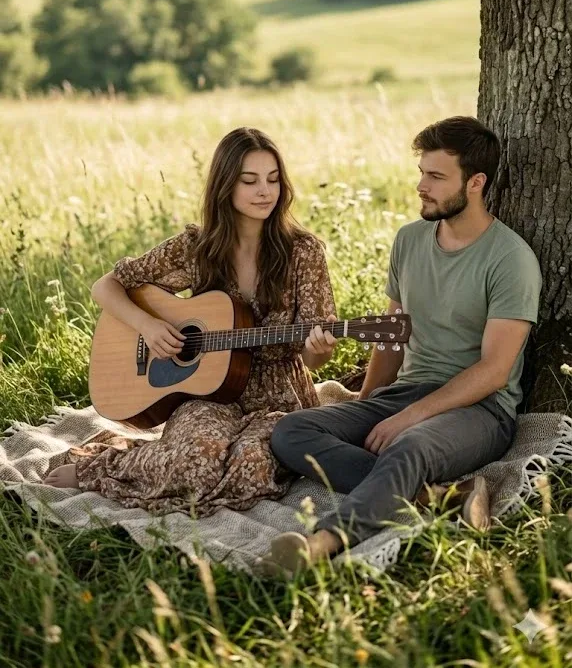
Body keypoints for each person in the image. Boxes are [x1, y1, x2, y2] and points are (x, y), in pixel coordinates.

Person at [262, 116, 542, 574]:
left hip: (480, 409)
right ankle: (441, 497)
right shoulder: (409, 240)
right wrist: (370, 403)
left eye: (435, 176)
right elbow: (393, 337)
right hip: (406, 391)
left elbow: (494, 370)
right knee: (291, 431)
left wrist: (408, 418)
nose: (421, 186)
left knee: (406, 446)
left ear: (475, 183)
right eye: (421, 173)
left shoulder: (510, 259)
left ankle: (323, 542)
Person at [43, 127, 342, 515]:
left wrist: (319, 350)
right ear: (224, 186)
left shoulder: (303, 251)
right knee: (196, 462)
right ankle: (100, 466)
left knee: (250, 470)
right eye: (249, 181)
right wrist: (148, 326)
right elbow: (107, 286)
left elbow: (315, 358)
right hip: (207, 392)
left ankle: (143, 463)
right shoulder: (197, 248)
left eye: (273, 180)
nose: (265, 191)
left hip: (278, 397)